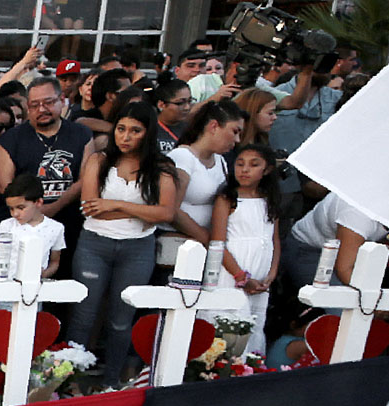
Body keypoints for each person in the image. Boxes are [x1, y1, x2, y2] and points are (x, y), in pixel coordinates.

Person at [70, 103, 178, 380]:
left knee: (121, 320)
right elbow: (90, 207)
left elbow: (166, 212)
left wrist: (114, 204)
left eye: (135, 131)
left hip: (137, 248)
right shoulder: (98, 160)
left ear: (148, 133)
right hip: (94, 243)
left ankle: (112, 381)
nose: (125, 137)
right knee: (84, 315)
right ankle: (70, 379)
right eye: (120, 129)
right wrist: (142, 211)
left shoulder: (162, 167)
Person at [0, 76, 94, 252]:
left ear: (62, 100)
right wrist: (35, 212)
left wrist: (53, 207)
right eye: (34, 105)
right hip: (21, 226)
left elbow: (85, 179)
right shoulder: (11, 139)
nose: (41, 109)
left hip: (68, 224)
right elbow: (5, 186)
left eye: (48, 102)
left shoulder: (81, 134)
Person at [161, 99, 243, 279]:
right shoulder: (182, 157)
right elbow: (172, 209)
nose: (237, 140)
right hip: (179, 247)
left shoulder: (221, 161)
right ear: (214, 126)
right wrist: (209, 240)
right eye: (234, 131)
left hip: (204, 250)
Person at [213, 144, 279, 359]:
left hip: (260, 275)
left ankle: (249, 367)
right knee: (231, 324)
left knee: (254, 324)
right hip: (232, 272)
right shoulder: (228, 199)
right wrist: (241, 277)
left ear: (266, 170)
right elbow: (218, 243)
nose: (244, 170)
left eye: (253, 165)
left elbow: (274, 239)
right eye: (240, 164)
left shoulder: (269, 199)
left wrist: (271, 274)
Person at [0, 174, 65, 284]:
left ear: (38, 202)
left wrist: (44, 274)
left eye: (21, 208)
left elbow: (55, 261)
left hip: (34, 291)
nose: (15, 214)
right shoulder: (6, 225)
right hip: (4, 287)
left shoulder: (56, 228)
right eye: (11, 209)